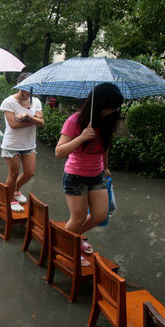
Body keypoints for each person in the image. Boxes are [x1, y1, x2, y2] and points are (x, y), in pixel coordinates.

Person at [55, 82, 123, 265]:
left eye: (114, 108)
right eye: (109, 108)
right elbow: (59, 151)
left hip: (97, 175)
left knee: (100, 215)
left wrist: (106, 167)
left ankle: (72, 238)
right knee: (77, 218)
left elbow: (105, 147)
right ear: (99, 103)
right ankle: (67, 246)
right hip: (75, 176)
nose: (111, 112)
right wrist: (82, 137)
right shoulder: (75, 121)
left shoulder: (107, 121)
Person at [0, 72, 44, 212]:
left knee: (30, 172)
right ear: (19, 86)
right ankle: (10, 200)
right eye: (26, 87)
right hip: (12, 143)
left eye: (31, 88)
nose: (28, 91)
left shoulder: (36, 101)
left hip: (29, 143)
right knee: (13, 173)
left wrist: (29, 118)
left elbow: (41, 122)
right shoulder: (9, 102)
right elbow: (13, 124)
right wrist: (32, 120)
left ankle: (15, 190)